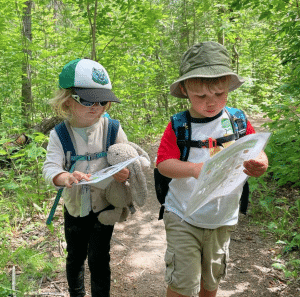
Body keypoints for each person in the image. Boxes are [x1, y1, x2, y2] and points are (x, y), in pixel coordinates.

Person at [156, 42, 269, 297]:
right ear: (185, 89)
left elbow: (256, 150)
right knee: (182, 283)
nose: (211, 102)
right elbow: (163, 164)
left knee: (212, 279)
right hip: (183, 214)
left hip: (222, 218)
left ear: (228, 84)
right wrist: (195, 169)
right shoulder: (179, 125)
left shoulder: (237, 121)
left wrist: (261, 163)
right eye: (201, 96)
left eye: (219, 93)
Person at [43, 58, 129, 297]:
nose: (96, 107)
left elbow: (127, 157)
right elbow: (50, 167)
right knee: (76, 256)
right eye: (88, 100)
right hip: (75, 207)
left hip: (105, 205)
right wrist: (64, 177)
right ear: (67, 101)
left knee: (100, 257)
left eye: (102, 100)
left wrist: (125, 172)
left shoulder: (112, 128)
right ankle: (77, 293)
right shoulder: (60, 134)